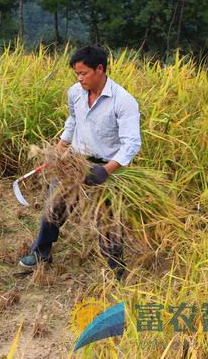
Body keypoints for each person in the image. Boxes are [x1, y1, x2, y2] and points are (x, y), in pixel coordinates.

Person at [18, 45, 141, 280]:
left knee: (107, 221)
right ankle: (41, 253)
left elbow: (131, 144)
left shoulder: (123, 102)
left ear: (100, 69)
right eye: (77, 73)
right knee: (53, 206)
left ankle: (117, 269)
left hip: (106, 167)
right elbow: (73, 121)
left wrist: (105, 171)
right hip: (74, 161)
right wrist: (59, 149)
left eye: (84, 73)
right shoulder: (75, 92)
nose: (80, 78)